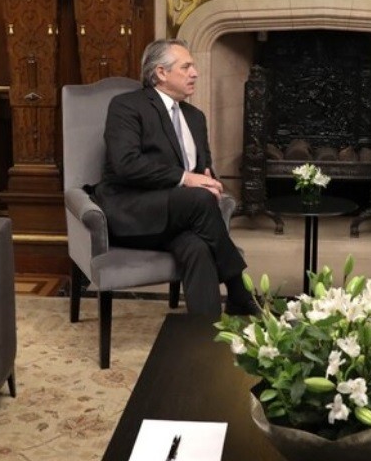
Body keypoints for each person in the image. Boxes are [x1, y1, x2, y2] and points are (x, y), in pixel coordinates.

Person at [92, 38, 259, 316]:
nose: (195, 73)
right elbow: (126, 164)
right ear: (161, 72)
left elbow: (202, 171)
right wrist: (187, 179)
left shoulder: (195, 117)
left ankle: (206, 332)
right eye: (186, 67)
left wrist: (210, 181)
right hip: (134, 212)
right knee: (199, 200)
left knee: (197, 247)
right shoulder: (127, 106)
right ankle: (238, 291)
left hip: (179, 216)